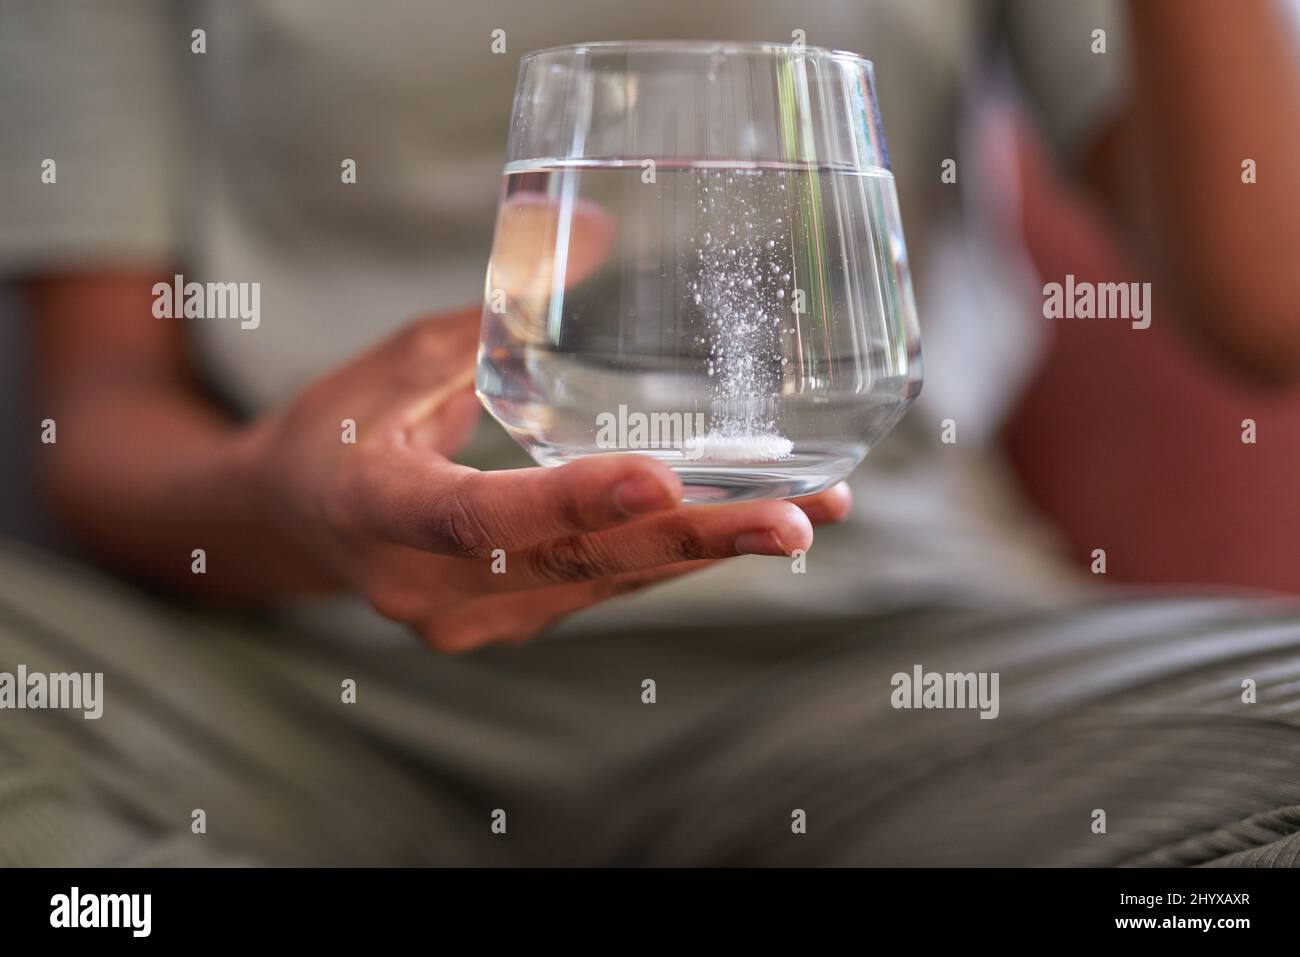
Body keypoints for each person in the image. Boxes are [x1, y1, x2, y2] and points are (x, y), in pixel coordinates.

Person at [1, 0, 1298, 865]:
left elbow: (1270, 301)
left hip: (911, 666)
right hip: (298, 689)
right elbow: (104, 402)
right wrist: (293, 511)